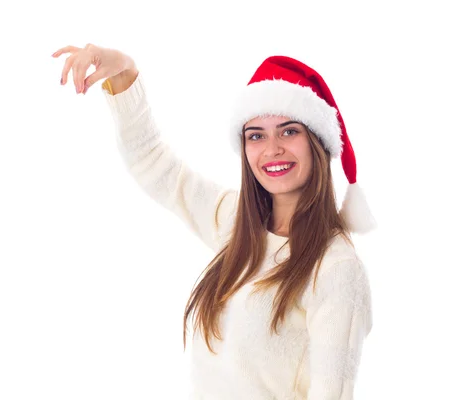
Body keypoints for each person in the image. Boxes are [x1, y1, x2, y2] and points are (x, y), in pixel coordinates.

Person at [52, 43, 376, 400]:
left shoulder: (337, 269)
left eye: (289, 131)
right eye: (256, 135)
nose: (271, 149)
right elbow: (157, 167)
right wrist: (124, 72)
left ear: (318, 141)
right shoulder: (238, 223)